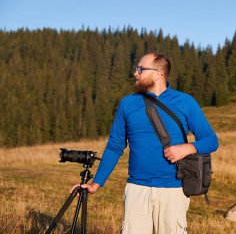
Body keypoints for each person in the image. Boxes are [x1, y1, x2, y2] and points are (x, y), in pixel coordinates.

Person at [71, 51, 219, 234]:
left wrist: (187, 148)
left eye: (140, 69)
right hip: (136, 190)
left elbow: (211, 140)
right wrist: (96, 183)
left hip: (173, 191)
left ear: (158, 73)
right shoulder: (128, 103)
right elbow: (115, 146)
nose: (135, 73)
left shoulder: (185, 102)